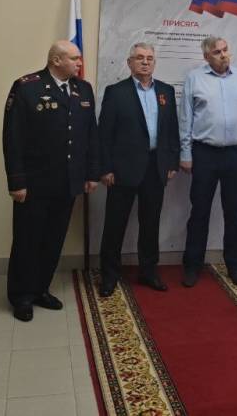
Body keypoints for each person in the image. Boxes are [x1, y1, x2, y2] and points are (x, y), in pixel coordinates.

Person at [2, 41, 98, 321]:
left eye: (79, 58)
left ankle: (40, 289)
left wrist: (91, 173)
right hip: (34, 183)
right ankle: (21, 296)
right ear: (56, 60)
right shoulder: (27, 87)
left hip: (68, 182)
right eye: (74, 58)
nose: (79, 63)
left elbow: (90, 134)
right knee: (27, 240)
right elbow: (13, 138)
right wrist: (16, 182)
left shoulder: (83, 89)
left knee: (53, 240)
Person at [97, 43, 179, 297]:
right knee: (115, 224)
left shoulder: (165, 91)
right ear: (130, 62)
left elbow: (171, 130)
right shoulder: (116, 92)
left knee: (151, 223)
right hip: (122, 170)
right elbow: (104, 134)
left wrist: (171, 162)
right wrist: (105, 168)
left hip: (156, 168)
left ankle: (149, 271)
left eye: (149, 58)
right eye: (140, 58)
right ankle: (109, 275)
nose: (145, 62)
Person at [179, 36, 237, 288]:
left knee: (234, 214)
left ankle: (235, 264)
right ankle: (192, 266)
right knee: (199, 212)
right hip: (205, 154)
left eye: (225, 50)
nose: (223, 55)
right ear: (206, 57)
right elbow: (186, 119)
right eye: (216, 52)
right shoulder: (194, 78)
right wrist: (186, 154)